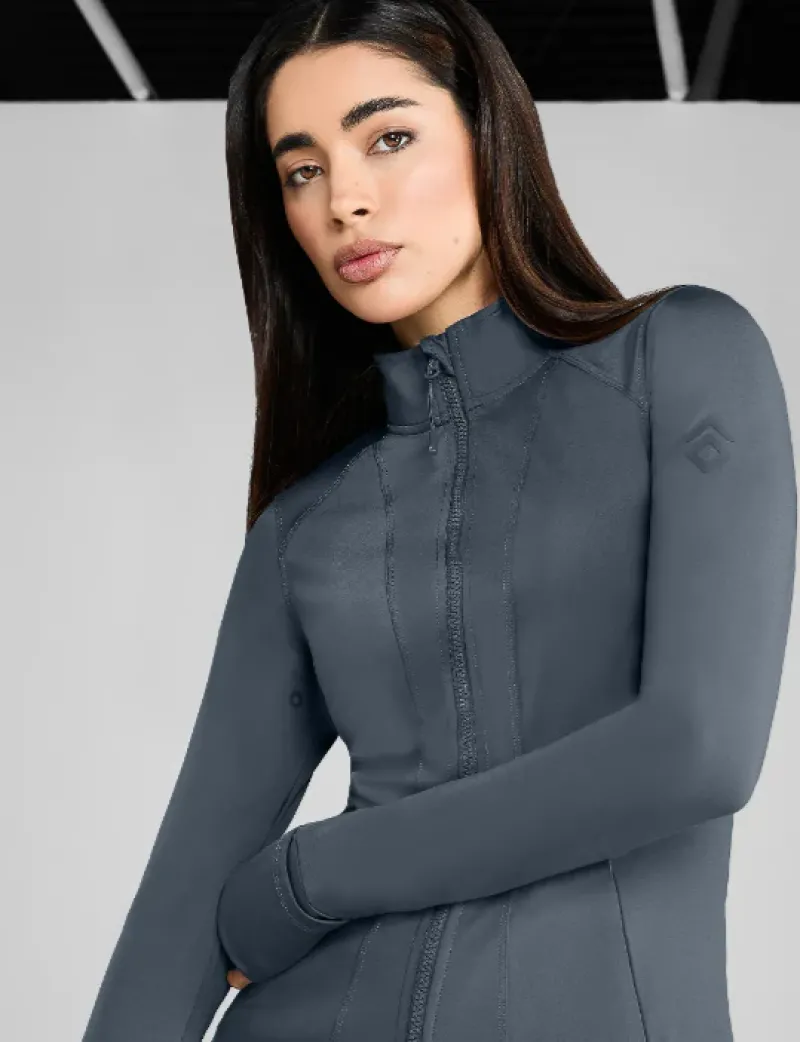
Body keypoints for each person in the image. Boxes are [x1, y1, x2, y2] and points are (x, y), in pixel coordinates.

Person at [80, 1, 796, 1040]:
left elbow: (696, 750)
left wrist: (305, 877)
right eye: (302, 170)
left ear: (487, 133)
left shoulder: (680, 358)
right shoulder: (306, 523)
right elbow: (182, 897)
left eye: (388, 138)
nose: (344, 200)